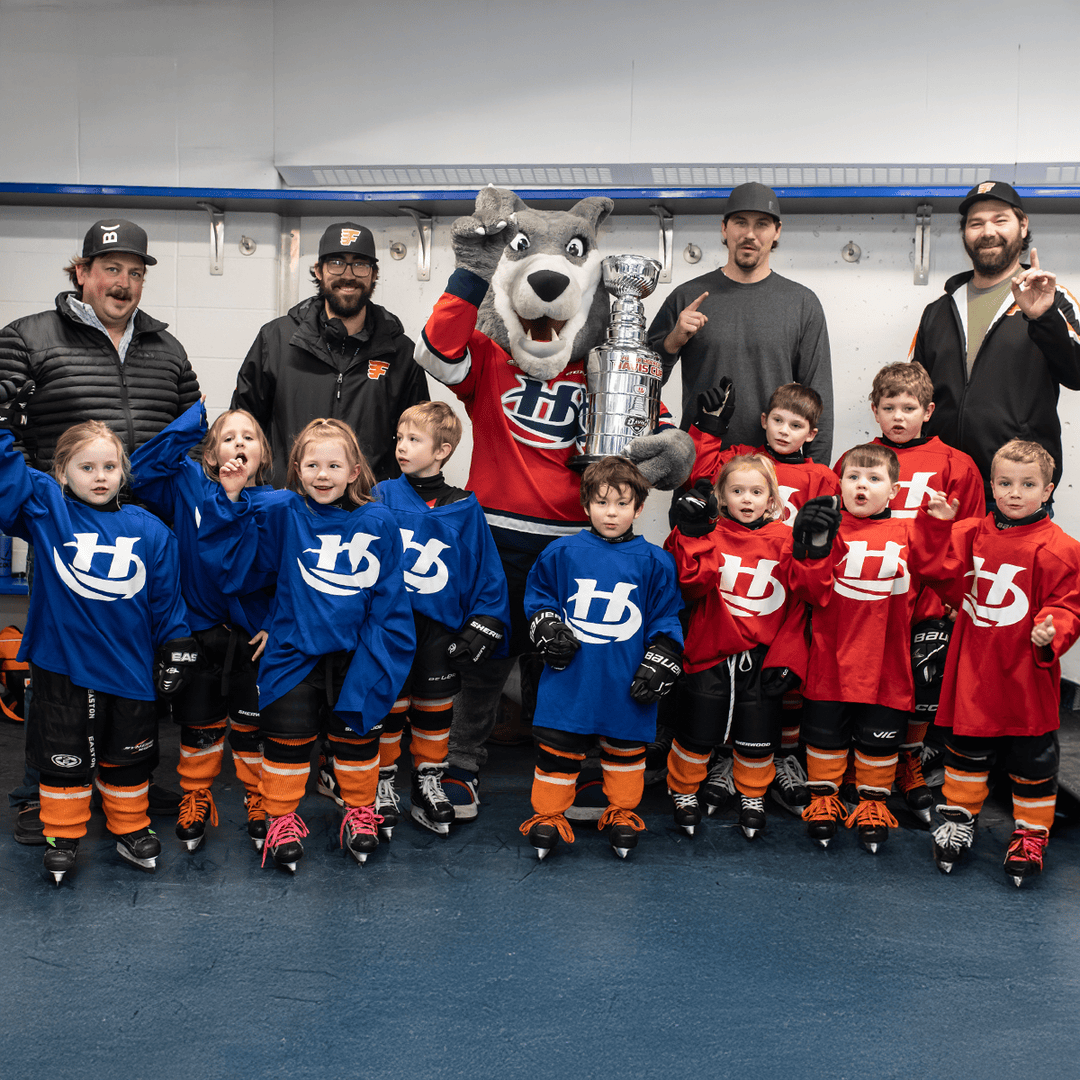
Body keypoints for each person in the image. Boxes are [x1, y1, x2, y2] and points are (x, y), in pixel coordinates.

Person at [0, 218, 201, 844]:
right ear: (82, 271)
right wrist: (40, 496)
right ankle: (43, 786)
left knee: (136, 655)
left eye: (135, 272)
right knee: (61, 663)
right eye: (111, 268)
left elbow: (191, 429)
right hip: (64, 526)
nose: (123, 282)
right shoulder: (27, 336)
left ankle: (125, 772)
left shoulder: (167, 347)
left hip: (143, 529)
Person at [201, 418, 414, 872]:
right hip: (293, 655)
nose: (322, 474)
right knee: (287, 744)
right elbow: (237, 569)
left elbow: (390, 603)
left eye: (334, 465)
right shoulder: (283, 511)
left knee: (357, 745)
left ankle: (360, 811)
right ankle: (280, 819)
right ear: (297, 469)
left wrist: (378, 660)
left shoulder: (378, 521)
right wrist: (231, 499)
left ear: (354, 471)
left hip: (357, 657)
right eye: (312, 464)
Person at [0, 407, 196, 884]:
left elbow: (165, 600)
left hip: (129, 669)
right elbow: (7, 484)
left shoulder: (151, 530)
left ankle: (129, 825)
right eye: (86, 467)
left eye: (110, 466)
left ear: (123, 471)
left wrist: (177, 644)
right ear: (61, 472)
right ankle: (62, 834)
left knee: (128, 758)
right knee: (62, 761)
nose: (100, 476)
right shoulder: (47, 510)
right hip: (62, 667)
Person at [786, 445, 958, 852]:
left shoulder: (909, 533)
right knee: (825, 736)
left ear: (894, 490)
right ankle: (823, 799)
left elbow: (937, 575)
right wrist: (810, 547)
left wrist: (938, 528)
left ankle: (873, 805)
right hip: (830, 657)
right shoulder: (830, 529)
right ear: (840, 485)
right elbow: (810, 592)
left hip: (887, 662)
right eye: (853, 477)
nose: (861, 485)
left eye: (874, 478)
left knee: (878, 742)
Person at [682, 380, 840, 818]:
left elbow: (827, 538)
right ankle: (728, 760)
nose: (785, 431)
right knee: (730, 691)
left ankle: (780, 759)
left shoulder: (822, 477)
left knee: (776, 688)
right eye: (778, 421)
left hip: (785, 586)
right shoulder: (739, 459)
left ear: (811, 433)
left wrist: (815, 549)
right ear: (765, 421)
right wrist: (708, 428)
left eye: (796, 425)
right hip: (738, 588)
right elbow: (700, 476)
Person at [930, 440, 1080, 886]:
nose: (1015, 493)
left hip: (1025, 674)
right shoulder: (967, 533)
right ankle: (958, 817)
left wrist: (1052, 632)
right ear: (991, 486)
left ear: (1048, 490)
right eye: (1005, 483)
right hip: (973, 668)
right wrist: (935, 528)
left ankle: (1031, 833)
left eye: (1028, 485)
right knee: (965, 751)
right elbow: (934, 571)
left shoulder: (1061, 548)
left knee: (1032, 759)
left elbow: (1068, 605)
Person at [841, 360, 985, 822]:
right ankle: (856, 762)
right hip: (867, 597)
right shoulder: (856, 460)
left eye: (908, 408)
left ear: (928, 411)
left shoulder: (957, 465)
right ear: (874, 410)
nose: (898, 417)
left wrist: (953, 600)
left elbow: (972, 537)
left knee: (923, 678)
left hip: (926, 600)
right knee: (861, 682)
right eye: (889, 408)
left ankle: (909, 760)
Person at [519, 458, 683, 860]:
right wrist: (545, 624)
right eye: (602, 502)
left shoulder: (656, 561)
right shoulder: (561, 552)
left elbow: (665, 616)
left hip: (625, 676)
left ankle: (622, 812)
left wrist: (663, 653)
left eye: (622, 504)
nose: (612, 513)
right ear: (585, 504)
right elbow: (540, 597)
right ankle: (547, 815)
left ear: (639, 509)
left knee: (626, 749)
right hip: (571, 676)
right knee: (558, 748)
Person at [129, 401, 275, 853]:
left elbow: (293, 572)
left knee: (251, 728)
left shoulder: (278, 503)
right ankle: (195, 795)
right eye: (227, 438)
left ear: (263, 454)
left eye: (248, 437)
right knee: (199, 725)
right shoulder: (189, 483)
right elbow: (139, 471)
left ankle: (258, 797)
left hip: (253, 637)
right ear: (210, 454)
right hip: (197, 631)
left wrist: (275, 622)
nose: (239, 444)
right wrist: (188, 426)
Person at [370, 401, 510, 838]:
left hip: (438, 631)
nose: (401, 447)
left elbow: (486, 570)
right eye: (399, 438)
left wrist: (485, 619)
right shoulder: (381, 494)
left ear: (442, 450)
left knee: (435, 709)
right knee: (390, 708)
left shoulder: (465, 507)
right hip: (391, 627)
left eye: (414, 440)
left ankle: (428, 779)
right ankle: (382, 781)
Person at [664, 454, 807, 841]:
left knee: (757, 737)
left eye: (756, 492)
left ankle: (753, 795)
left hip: (761, 657)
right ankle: (683, 789)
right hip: (710, 652)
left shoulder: (786, 540)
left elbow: (800, 605)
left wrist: (789, 657)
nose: (747, 499)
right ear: (721, 497)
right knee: (696, 731)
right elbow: (690, 587)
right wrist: (690, 534)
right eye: (737, 491)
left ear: (771, 499)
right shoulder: (707, 532)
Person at [910, 180, 1080, 502]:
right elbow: (914, 397)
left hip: (1016, 491)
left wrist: (1043, 318)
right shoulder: (938, 311)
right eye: (976, 223)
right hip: (943, 488)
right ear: (965, 233)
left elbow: (1077, 374)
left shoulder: (1053, 299)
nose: (988, 232)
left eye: (1000, 220)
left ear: (1023, 225)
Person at [647, 183, 834, 464]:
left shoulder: (802, 304)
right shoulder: (687, 297)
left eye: (762, 224)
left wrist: (816, 475)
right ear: (724, 228)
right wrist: (672, 342)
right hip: (700, 467)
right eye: (740, 222)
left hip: (774, 472)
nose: (749, 234)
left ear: (777, 231)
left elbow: (819, 400)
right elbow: (642, 385)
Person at [231, 221, 429, 486]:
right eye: (336, 263)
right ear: (319, 271)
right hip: (288, 502)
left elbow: (420, 440)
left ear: (374, 274)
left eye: (360, 264)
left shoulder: (401, 353)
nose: (348, 275)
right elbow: (243, 426)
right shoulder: (276, 339)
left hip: (370, 504)